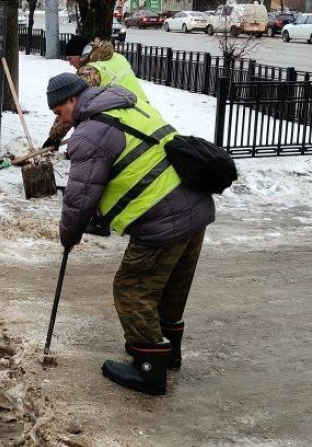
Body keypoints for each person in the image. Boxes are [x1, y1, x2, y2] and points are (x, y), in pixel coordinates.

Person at [46, 73, 215, 396]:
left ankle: (148, 368)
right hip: (195, 204)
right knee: (170, 285)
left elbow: (80, 199)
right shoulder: (127, 106)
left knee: (131, 288)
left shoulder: (89, 134)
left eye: (59, 112)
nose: (62, 120)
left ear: (73, 99)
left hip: (162, 218)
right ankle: (167, 352)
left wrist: (68, 236)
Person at [43, 35, 149, 237]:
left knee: (99, 168)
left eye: (70, 58)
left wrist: (54, 137)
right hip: (140, 114)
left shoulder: (91, 71)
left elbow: (72, 107)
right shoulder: (115, 57)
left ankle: (101, 220)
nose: (70, 62)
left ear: (80, 54)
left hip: (120, 121)